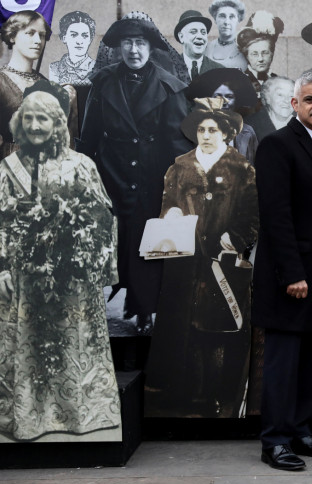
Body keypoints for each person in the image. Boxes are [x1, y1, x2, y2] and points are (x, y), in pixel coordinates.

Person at [0, 81, 120, 440]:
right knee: (28, 350)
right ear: (20, 123)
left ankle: (78, 418)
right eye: (30, 119)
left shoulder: (81, 165)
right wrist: (2, 267)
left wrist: (93, 267)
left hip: (72, 282)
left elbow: (102, 220)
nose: (36, 127)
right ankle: (29, 420)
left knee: (74, 348)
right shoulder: (7, 169)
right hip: (22, 282)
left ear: (57, 124)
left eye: (44, 120)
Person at [252, 73, 312, 470]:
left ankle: (300, 431)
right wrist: (292, 273)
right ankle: (274, 441)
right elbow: (276, 216)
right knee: (283, 361)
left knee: (311, 359)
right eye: (310, 98)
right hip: (288, 276)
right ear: (294, 104)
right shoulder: (276, 146)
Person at [76, 17, 192, 334]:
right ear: (119, 48)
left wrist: (174, 187)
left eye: (140, 43)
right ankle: (98, 310)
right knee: (113, 240)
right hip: (111, 173)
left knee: (148, 242)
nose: (133, 49)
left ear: (151, 48)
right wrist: (84, 175)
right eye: (127, 43)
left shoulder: (170, 87)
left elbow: (178, 144)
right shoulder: (102, 83)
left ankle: (144, 309)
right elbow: (88, 136)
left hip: (153, 175)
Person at [144, 98, 259, 418]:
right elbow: (167, 205)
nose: (206, 135)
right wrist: (173, 215)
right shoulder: (179, 166)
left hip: (221, 262)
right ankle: (183, 396)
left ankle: (219, 397)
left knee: (219, 328)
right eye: (201, 130)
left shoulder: (241, 168)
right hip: (184, 261)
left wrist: (233, 240)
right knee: (184, 328)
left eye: (213, 130)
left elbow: (252, 214)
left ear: (226, 134)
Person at [0, 10, 51, 159]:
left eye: (41, 35)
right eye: (30, 33)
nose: (38, 41)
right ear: (12, 36)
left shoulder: (45, 84)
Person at [186, 68, 259, 162]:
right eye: (218, 96)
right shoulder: (195, 131)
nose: (224, 101)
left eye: (229, 96)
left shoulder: (247, 132)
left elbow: (253, 167)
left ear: (236, 100)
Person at [237, 11, 283, 98]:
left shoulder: (279, 82)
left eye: (265, 53)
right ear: (247, 56)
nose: (260, 59)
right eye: (254, 54)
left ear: (272, 54)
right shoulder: (239, 81)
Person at [174, 10, 224, 83]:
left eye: (203, 33)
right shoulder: (168, 70)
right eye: (193, 32)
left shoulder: (220, 71)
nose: (200, 36)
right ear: (181, 37)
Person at [49, 11, 96, 86]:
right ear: (64, 38)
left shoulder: (98, 69)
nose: (79, 41)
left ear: (90, 40)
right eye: (74, 35)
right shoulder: (53, 69)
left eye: (85, 36)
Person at [245, 76, 295, 142]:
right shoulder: (248, 126)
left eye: (291, 95)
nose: (287, 100)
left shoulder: (306, 123)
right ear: (267, 98)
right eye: (280, 95)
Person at [204, 0, 248, 70]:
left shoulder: (247, 48)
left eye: (232, 17)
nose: (226, 22)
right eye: (222, 16)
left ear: (238, 20)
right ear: (215, 19)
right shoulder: (206, 48)